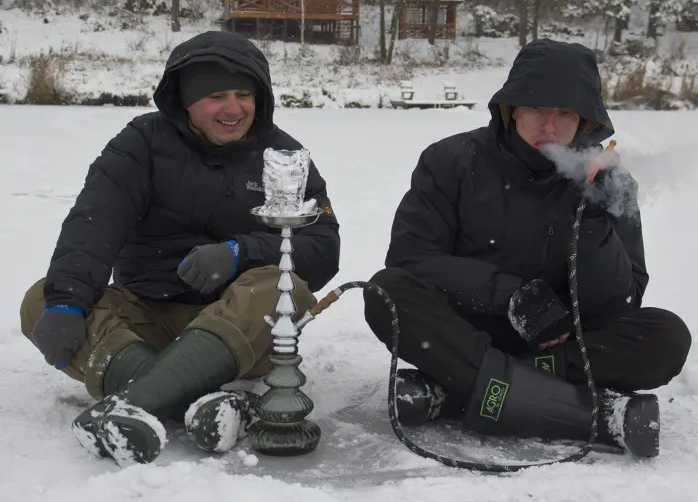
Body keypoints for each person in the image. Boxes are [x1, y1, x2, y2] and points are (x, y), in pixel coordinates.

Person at [20, 30, 340, 465]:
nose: (234, 109)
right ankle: (195, 401)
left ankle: (136, 403)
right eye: (216, 96)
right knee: (43, 297)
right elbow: (94, 222)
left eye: (244, 94)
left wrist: (237, 253)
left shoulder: (283, 155)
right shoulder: (141, 143)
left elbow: (323, 246)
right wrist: (66, 302)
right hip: (145, 312)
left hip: (237, 327)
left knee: (284, 287)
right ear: (185, 100)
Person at [364, 38, 691, 458]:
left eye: (565, 113)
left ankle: (456, 389)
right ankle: (591, 414)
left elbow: (624, 301)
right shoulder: (451, 160)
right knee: (386, 293)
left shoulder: (609, 183)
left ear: (586, 120)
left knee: (666, 336)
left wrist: (594, 219)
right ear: (512, 107)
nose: (550, 126)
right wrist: (513, 295)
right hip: (468, 330)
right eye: (538, 108)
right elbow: (411, 258)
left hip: (564, 345)